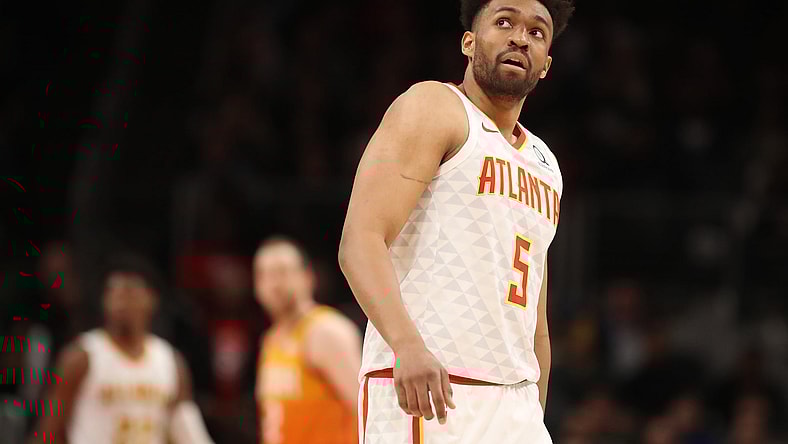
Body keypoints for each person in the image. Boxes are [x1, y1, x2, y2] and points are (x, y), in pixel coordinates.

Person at [338, 0, 574, 442]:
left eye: (537, 32)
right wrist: (406, 346)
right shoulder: (435, 106)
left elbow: (534, 315)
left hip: (516, 401)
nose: (520, 38)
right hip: (430, 387)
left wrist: (533, 409)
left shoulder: (546, 164)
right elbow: (361, 241)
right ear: (469, 42)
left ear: (545, 65)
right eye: (504, 22)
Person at [27, 253, 214, 444]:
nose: (120, 300)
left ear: (151, 299)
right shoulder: (82, 356)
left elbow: (189, 435)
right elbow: (48, 432)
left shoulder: (171, 362)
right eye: (113, 292)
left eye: (129, 291)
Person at [253, 236, 362, 444]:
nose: (274, 284)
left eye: (282, 272)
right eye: (264, 275)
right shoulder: (270, 340)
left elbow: (366, 407)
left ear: (307, 277)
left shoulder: (326, 332)